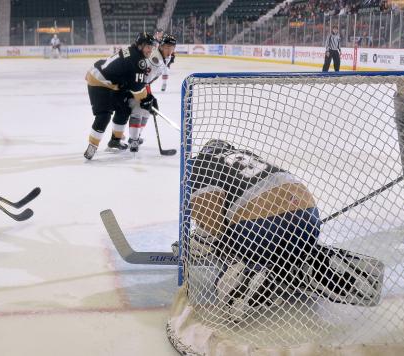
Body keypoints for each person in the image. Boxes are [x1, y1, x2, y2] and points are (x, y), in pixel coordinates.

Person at [175, 140, 384, 322]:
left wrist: (218, 245)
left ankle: (251, 273)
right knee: (283, 248)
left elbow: (207, 210)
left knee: (221, 252)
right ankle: (298, 261)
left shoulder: (197, 164)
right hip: (308, 218)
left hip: (260, 228)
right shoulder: (245, 156)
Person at [84, 32, 157, 160]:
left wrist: (147, 97)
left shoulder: (133, 52)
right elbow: (137, 89)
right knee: (104, 115)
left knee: (123, 108)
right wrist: (147, 99)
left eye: (152, 47)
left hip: (108, 80)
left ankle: (115, 141)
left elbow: (130, 80)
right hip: (99, 81)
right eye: (148, 47)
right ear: (140, 46)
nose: (150, 50)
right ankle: (92, 146)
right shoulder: (138, 61)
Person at [126, 33, 176, 152]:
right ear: (161, 46)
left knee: (147, 111)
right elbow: (143, 79)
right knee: (138, 109)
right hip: (132, 84)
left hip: (141, 84)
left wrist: (150, 96)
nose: (169, 50)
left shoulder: (165, 56)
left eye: (172, 47)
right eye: (167, 47)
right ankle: (133, 141)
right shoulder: (155, 60)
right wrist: (148, 95)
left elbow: (146, 81)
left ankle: (136, 137)